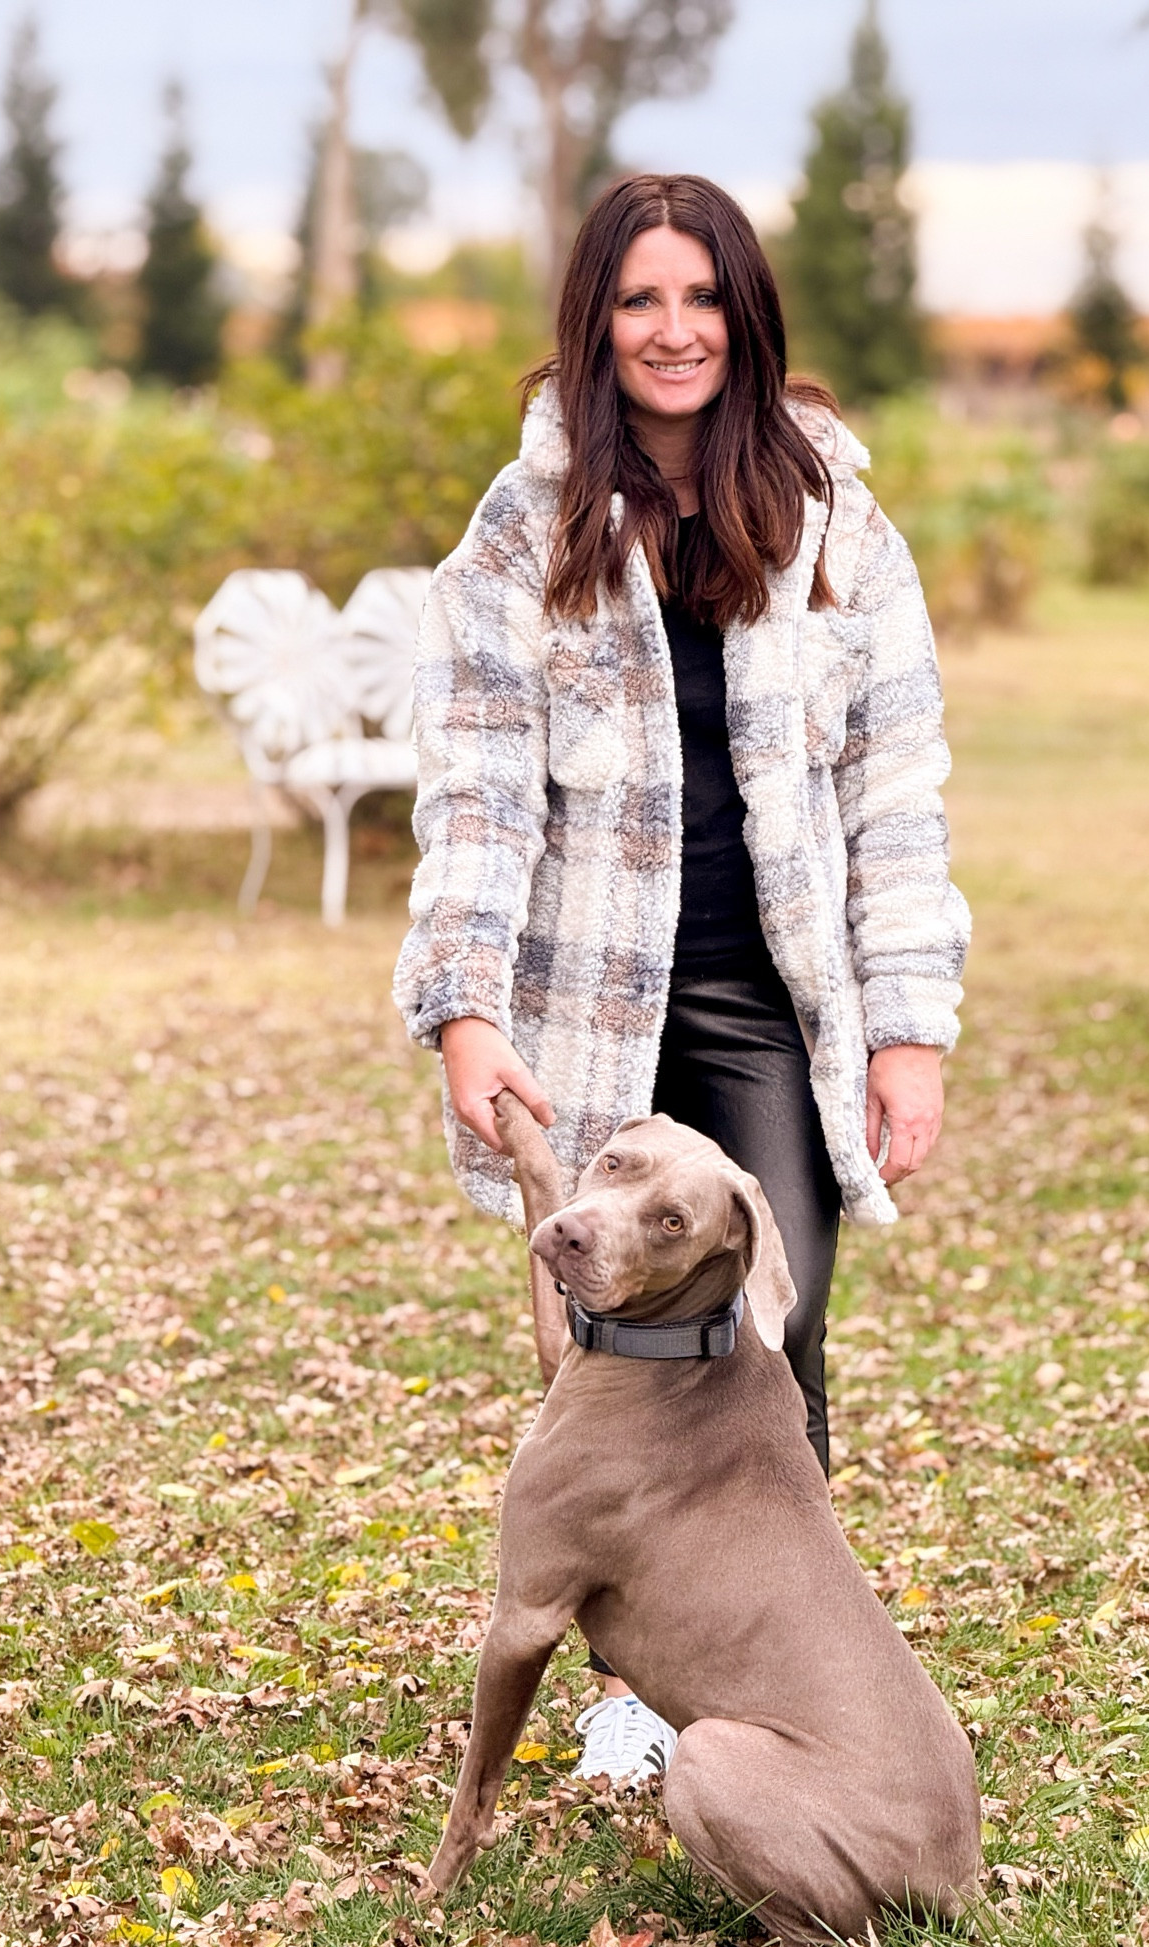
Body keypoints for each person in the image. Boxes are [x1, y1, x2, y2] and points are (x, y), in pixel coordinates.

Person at [393, 172, 969, 1788]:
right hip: (593, 999)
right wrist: (465, 1007)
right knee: (609, 1342)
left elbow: (896, 788)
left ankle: (771, 1671)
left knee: (774, 1330)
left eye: (701, 297)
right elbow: (479, 791)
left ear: (745, 314)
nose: (673, 329)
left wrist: (909, 1030)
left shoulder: (834, 516)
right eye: (640, 299)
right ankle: (633, 1676)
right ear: (596, 322)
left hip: (774, 1001)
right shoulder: (526, 530)